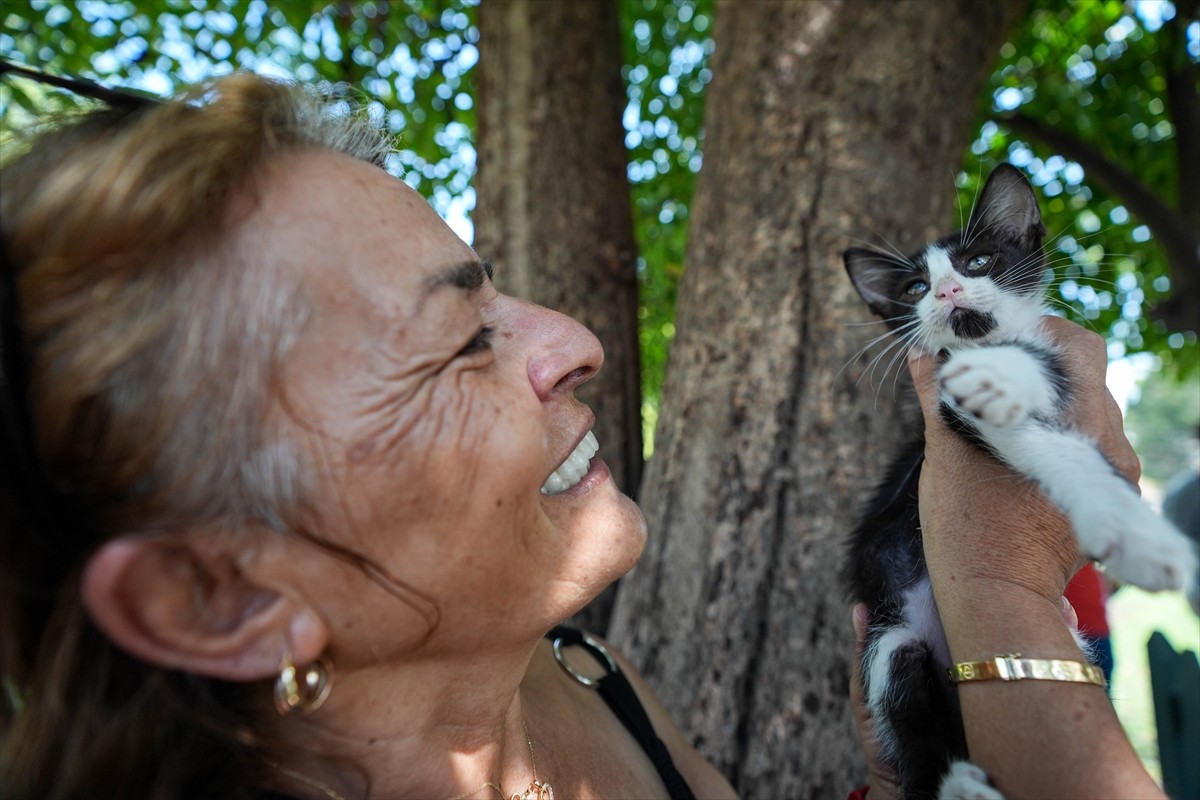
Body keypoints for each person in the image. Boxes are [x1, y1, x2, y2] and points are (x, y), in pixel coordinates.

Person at [0, 66, 1163, 800]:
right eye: (461, 341)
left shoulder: (582, 678)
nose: (576, 338)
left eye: (498, 291)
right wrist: (998, 586)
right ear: (218, 597)